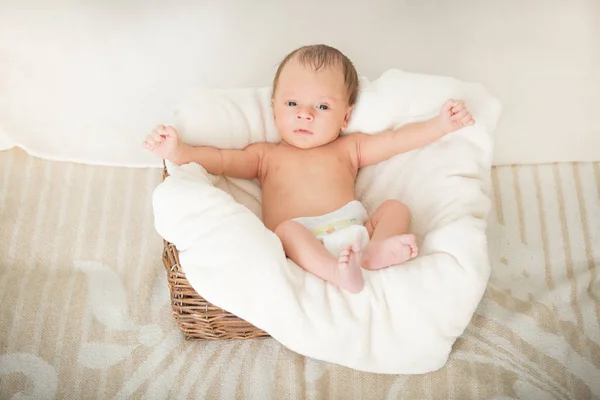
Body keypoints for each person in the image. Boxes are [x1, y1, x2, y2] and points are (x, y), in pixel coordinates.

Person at [143, 44, 474, 294]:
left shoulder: (349, 147)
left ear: (345, 117)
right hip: (301, 240)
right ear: (274, 110)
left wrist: (440, 126)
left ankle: (375, 253)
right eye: (292, 104)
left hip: (355, 234)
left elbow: (396, 140)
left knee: (395, 208)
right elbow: (220, 159)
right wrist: (179, 150)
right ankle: (336, 273)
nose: (305, 114)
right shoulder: (265, 156)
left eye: (322, 106)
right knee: (285, 230)